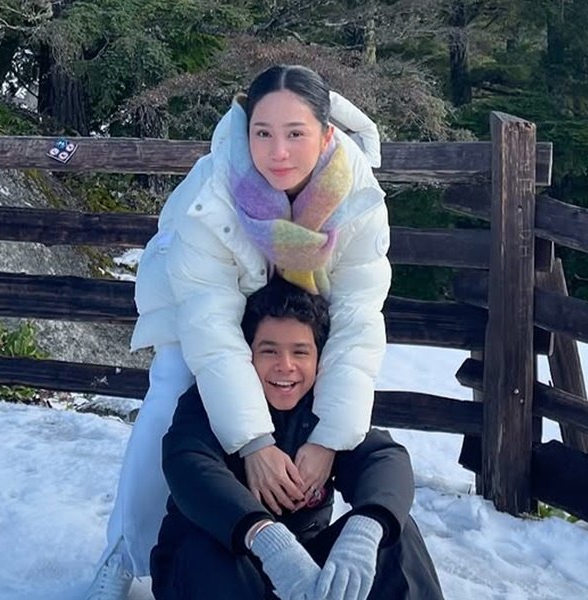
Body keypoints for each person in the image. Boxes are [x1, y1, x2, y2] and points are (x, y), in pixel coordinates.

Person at [88, 65, 392, 598]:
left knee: (315, 387)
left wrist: (328, 439)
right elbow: (209, 324)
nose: (278, 152)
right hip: (200, 299)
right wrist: (252, 442)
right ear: (246, 128)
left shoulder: (357, 198)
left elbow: (357, 321)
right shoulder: (214, 190)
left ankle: (288, 533)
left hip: (296, 309)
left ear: (325, 135)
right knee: (172, 399)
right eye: (263, 133)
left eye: (295, 134)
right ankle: (125, 548)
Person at [151, 277, 442, 600]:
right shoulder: (211, 400)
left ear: (319, 359)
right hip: (213, 572)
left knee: (394, 535)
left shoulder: (328, 410)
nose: (285, 366)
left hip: (304, 573)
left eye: (300, 352)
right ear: (247, 355)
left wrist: (367, 527)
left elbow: (385, 458)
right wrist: (264, 536)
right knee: (205, 548)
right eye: (269, 351)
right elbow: (188, 461)